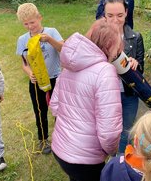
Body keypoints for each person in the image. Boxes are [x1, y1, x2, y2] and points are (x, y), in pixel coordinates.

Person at [49, 19, 123, 181]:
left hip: (61, 149)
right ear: (110, 45)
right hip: (86, 159)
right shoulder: (105, 71)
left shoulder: (70, 65)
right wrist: (111, 151)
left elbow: (55, 106)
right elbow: (109, 132)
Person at [16, 3, 64, 154]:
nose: (30, 26)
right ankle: (43, 140)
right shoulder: (22, 40)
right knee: (40, 110)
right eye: (26, 24)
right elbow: (24, 63)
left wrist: (49, 40)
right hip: (37, 82)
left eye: (32, 22)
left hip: (56, 78)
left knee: (60, 110)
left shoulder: (52, 32)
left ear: (39, 18)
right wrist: (29, 72)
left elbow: (63, 48)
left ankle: (62, 138)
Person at [104, 0, 144, 153]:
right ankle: (105, 154)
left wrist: (136, 65)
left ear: (127, 12)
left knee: (126, 130)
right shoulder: (98, 39)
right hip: (106, 95)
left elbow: (141, 70)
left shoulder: (136, 38)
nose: (115, 20)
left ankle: (119, 161)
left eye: (120, 15)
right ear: (104, 15)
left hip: (129, 95)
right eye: (110, 15)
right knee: (107, 129)